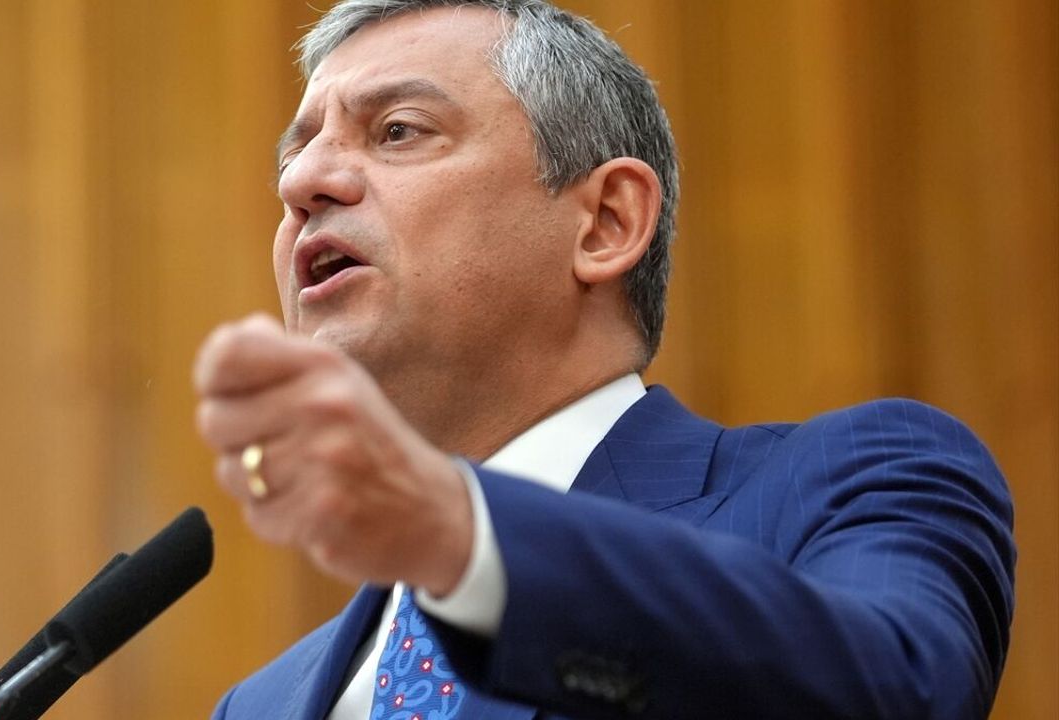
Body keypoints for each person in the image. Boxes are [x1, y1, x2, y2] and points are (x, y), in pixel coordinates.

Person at [191, 1, 1016, 718]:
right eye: (292, 158)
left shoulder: (856, 482)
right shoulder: (260, 703)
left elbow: (902, 690)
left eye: (398, 130)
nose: (303, 182)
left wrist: (469, 540)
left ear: (606, 223)